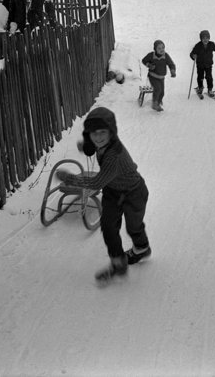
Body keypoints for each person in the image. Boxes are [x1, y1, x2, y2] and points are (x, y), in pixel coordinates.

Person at [56, 107, 151, 282]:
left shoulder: (113, 156)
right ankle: (118, 263)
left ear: (111, 133)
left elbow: (95, 183)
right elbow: (93, 145)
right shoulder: (101, 143)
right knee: (108, 227)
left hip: (134, 192)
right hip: (113, 192)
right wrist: (85, 146)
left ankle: (142, 248)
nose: (98, 137)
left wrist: (70, 179)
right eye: (94, 133)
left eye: (103, 132)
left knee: (133, 227)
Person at [141, 39, 176, 111]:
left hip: (161, 77)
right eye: (159, 48)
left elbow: (171, 64)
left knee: (162, 93)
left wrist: (172, 71)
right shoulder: (151, 55)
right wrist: (149, 65)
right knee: (157, 89)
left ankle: (158, 101)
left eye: (163, 48)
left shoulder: (165, 56)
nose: (161, 50)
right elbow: (144, 60)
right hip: (152, 76)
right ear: (155, 49)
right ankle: (155, 104)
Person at [190, 30, 215, 97]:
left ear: (209, 38)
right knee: (200, 77)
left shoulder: (211, 44)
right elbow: (192, 53)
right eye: (203, 38)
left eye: (207, 38)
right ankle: (200, 87)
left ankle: (210, 89)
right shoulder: (198, 46)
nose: (205, 40)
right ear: (201, 39)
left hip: (208, 65)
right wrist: (193, 56)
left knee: (209, 77)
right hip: (200, 65)